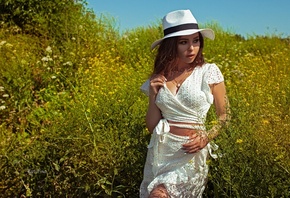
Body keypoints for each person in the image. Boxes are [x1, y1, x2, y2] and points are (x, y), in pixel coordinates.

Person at [139, 9, 229, 198]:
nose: (191, 48)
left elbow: (224, 116)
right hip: (161, 151)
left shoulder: (209, 71)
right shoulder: (159, 77)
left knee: (159, 194)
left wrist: (207, 137)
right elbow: (151, 126)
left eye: (195, 40)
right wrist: (153, 97)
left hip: (191, 152)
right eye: (183, 42)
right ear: (171, 45)